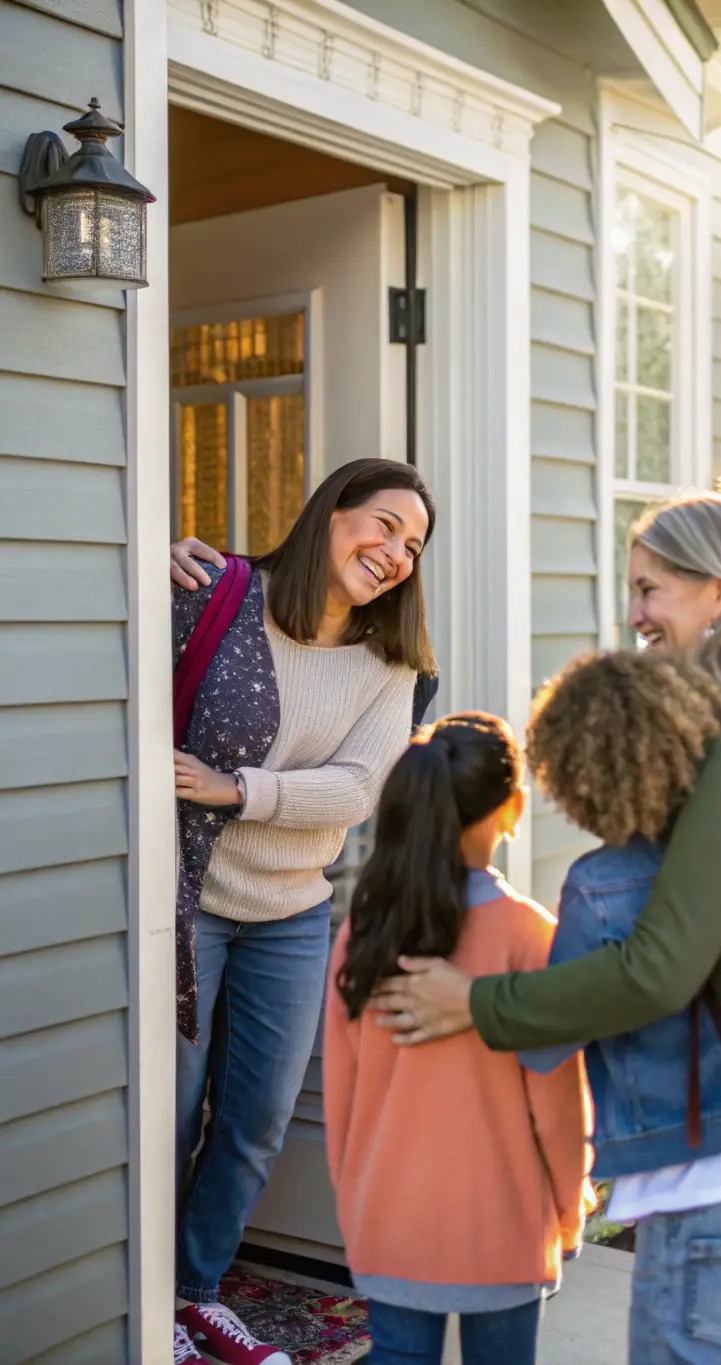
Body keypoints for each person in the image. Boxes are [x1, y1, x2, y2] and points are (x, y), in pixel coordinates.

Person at [370, 490, 721, 1365]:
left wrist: (476, 1003)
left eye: (652, 589)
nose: (634, 613)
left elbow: (657, 971)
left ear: (720, 591)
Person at [171, 458, 436, 1365]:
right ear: (332, 514)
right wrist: (146, 564)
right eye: (384, 525)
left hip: (290, 913)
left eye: (413, 544)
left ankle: (198, 1291)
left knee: (254, 1119)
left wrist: (235, 788)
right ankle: (147, 1295)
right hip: (188, 900)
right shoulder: (218, 595)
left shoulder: (388, 665)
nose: (396, 551)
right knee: (168, 1112)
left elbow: (358, 787)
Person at [323, 714, 593, 1365]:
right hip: (501, 1231)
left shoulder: (367, 931)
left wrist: (357, 1199)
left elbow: (342, 1093)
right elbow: (558, 1105)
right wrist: (568, 1208)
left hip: (390, 1222)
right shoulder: (532, 937)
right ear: (514, 808)